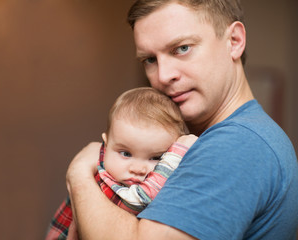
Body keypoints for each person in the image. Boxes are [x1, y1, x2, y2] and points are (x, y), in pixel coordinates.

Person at [61, 0, 298, 239]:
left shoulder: (237, 143)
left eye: (182, 48)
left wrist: (79, 173)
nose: (163, 76)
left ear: (234, 41)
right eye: (149, 60)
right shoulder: (210, 139)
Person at [46, 87, 196, 240]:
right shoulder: (103, 180)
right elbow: (137, 202)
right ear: (106, 145)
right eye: (126, 154)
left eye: (156, 157)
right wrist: (178, 153)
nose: (137, 169)